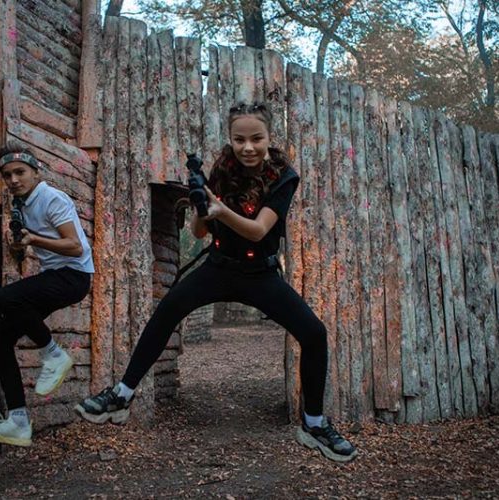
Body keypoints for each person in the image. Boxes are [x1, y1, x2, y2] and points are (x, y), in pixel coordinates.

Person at [75, 102, 357, 462]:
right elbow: (201, 230)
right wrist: (200, 211)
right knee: (168, 309)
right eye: (239, 139)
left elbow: (258, 231)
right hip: (220, 266)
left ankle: (314, 425)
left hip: (260, 273)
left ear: (270, 138)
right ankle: (121, 396)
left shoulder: (283, 175)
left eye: (257, 138)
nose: (248, 147)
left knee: (314, 334)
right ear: (230, 139)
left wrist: (222, 209)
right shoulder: (222, 168)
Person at [0, 145, 94, 447]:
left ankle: (54, 355)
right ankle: (18, 421)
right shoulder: (22, 204)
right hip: (55, 275)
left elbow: (75, 247)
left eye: (19, 172)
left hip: (73, 276)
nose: (13, 180)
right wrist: (19, 245)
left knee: (5, 298)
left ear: (36, 172)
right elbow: (28, 248)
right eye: (6, 175)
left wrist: (35, 239)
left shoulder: (51, 198)